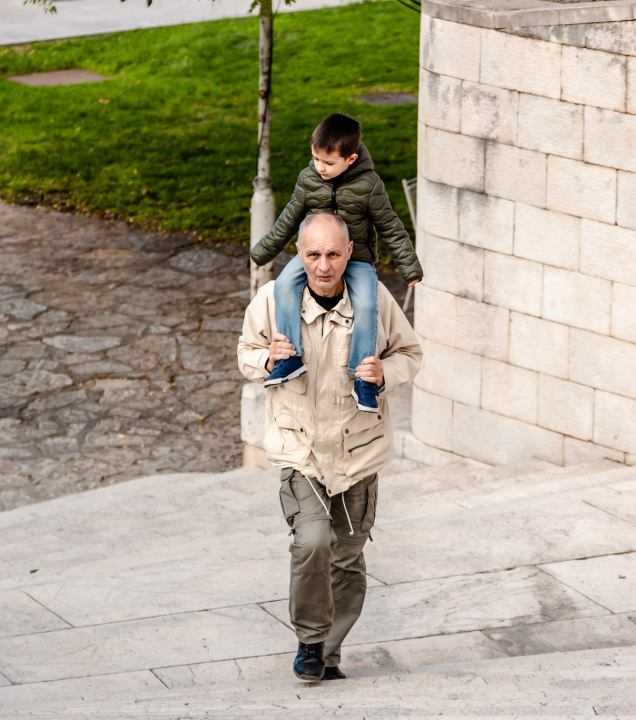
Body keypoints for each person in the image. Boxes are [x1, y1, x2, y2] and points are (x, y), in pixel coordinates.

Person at [238, 212, 422, 682]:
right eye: (313, 254)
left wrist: (386, 374)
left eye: (334, 254)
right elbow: (245, 353)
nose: (324, 265)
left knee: (347, 559)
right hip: (302, 452)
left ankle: (328, 652)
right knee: (313, 542)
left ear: (348, 255)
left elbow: (410, 354)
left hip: (358, 453)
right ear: (300, 254)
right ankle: (308, 640)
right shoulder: (272, 302)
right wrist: (267, 359)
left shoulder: (374, 300)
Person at [250, 113, 423, 413]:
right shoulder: (308, 179)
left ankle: (363, 378)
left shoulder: (370, 186)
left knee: (368, 304)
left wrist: (409, 266)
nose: (320, 167)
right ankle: (291, 358)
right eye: (315, 159)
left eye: (328, 163)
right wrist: (263, 252)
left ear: (351, 158)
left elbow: (390, 226)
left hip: (356, 259)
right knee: (284, 284)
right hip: (318, 250)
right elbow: (289, 219)